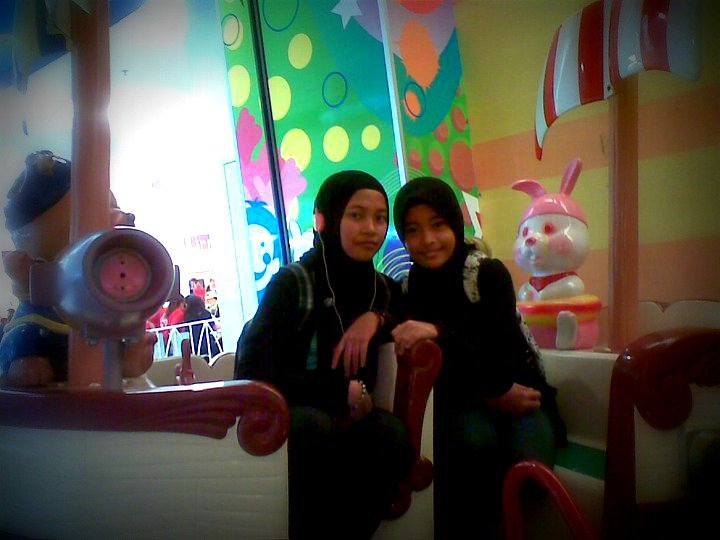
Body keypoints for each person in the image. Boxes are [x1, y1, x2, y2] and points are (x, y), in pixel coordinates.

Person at [235, 170, 414, 539]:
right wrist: (338, 392)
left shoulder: (383, 288)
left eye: (380, 218)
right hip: (297, 416)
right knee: (314, 429)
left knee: (391, 436)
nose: (371, 229)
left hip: (353, 418)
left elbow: (406, 312)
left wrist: (375, 319)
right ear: (325, 220)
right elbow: (254, 370)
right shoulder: (294, 283)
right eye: (356, 215)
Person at [391, 177, 567, 539]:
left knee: (531, 476)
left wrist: (438, 332)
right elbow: (439, 372)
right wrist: (491, 395)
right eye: (413, 230)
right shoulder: (411, 287)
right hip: (468, 396)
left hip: (518, 387)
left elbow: (503, 353)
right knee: (475, 447)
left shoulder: (485, 273)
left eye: (437, 225)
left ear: (455, 224)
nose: (428, 240)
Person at [183, 294, 221, 358]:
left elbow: (186, 330)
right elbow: (213, 327)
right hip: (207, 342)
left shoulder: (188, 316)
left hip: (194, 344)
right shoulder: (206, 313)